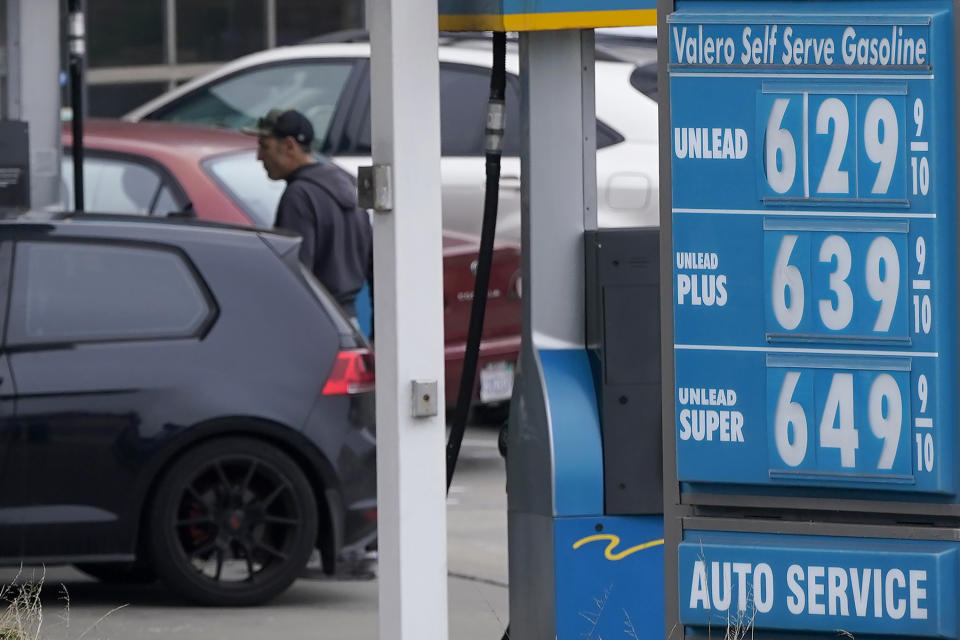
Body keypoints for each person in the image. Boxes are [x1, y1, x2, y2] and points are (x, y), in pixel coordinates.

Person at [243, 108, 372, 324]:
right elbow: (376, 261)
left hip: (318, 323)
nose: (259, 157)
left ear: (289, 145)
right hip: (349, 320)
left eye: (264, 147)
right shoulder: (347, 181)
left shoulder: (299, 196)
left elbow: (296, 277)